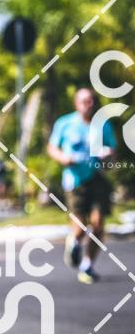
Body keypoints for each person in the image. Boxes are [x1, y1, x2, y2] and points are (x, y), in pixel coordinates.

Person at [48, 87, 116, 284]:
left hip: (97, 177)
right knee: (79, 227)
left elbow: (113, 152)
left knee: (98, 223)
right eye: (83, 101)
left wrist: (108, 155)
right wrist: (63, 158)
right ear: (76, 103)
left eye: (90, 100)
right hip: (74, 180)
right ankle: (74, 241)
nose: (88, 104)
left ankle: (87, 265)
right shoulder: (65, 123)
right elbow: (52, 148)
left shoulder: (102, 125)